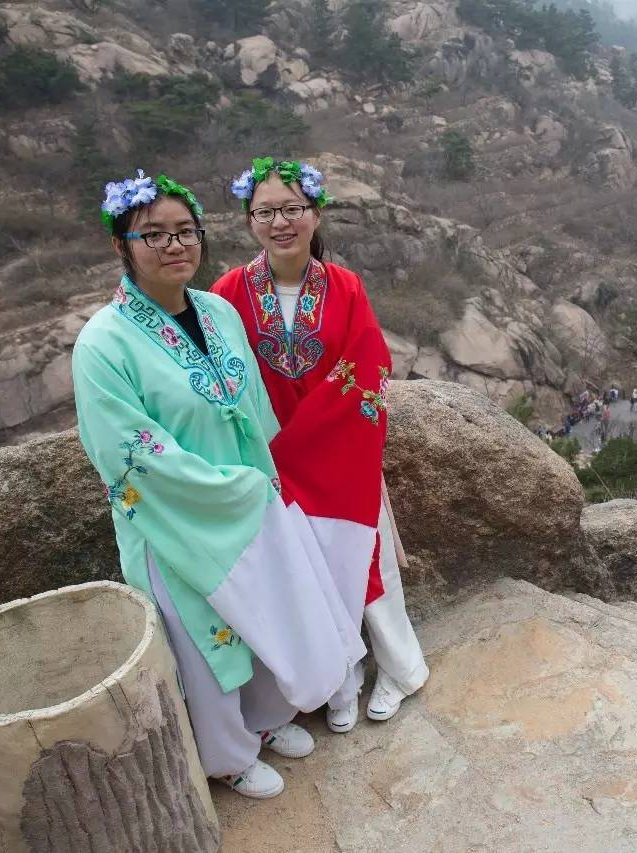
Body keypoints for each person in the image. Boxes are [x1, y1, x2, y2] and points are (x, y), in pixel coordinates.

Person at [74, 171, 364, 799]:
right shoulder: (104, 343)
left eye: (185, 231)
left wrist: (270, 481)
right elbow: (127, 450)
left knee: (263, 617)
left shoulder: (218, 311)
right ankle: (226, 754)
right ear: (121, 245)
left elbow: (256, 408)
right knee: (204, 638)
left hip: (251, 499)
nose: (173, 245)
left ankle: (263, 722)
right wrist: (230, 490)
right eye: (153, 235)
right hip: (176, 517)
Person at [211, 157, 428, 735]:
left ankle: (401, 670)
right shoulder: (228, 292)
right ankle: (339, 679)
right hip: (271, 460)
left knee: (368, 565)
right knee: (307, 576)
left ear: (314, 213)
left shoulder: (345, 287)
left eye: (292, 209)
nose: (280, 222)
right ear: (249, 219)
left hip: (340, 453)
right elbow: (225, 376)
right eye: (266, 212)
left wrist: (311, 442)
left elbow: (368, 364)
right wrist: (267, 449)